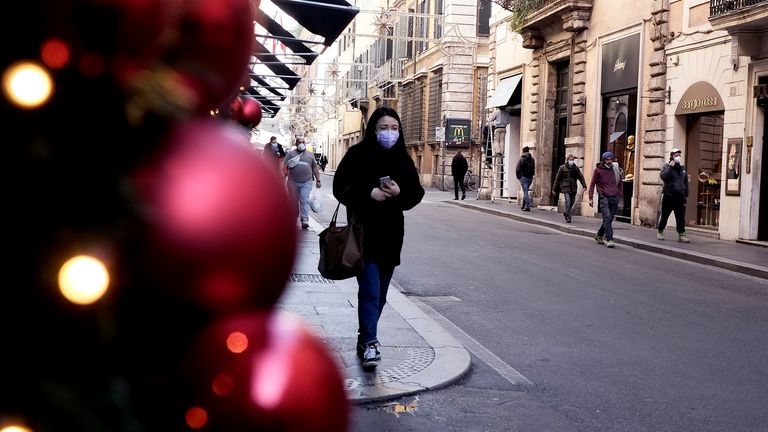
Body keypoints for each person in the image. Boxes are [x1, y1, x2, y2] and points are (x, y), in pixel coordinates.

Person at [333, 106, 425, 368]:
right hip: (364, 234)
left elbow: (415, 194)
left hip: (392, 236)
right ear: (373, 129)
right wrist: (368, 194)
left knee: (381, 294)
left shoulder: (402, 159)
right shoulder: (357, 155)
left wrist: (399, 193)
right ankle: (371, 343)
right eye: (384, 128)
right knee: (371, 290)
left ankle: (365, 337)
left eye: (394, 129)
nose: (389, 133)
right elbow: (340, 187)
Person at [282, 137, 321, 230]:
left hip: (307, 182)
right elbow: (283, 164)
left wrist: (318, 179)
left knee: (304, 199)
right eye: (299, 142)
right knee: (293, 201)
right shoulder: (291, 154)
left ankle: (304, 219)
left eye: (303, 142)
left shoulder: (310, 155)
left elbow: (315, 168)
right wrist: (283, 175)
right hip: (293, 182)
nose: (301, 143)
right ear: (296, 143)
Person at [588, 151, 623, 248]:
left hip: (614, 196)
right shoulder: (598, 170)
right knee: (607, 217)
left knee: (610, 218)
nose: (609, 161)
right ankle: (610, 239)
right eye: (607, 160)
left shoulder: (616, 169)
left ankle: (599, 235)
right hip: (604, 196)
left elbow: (620, 182)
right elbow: (592, 184)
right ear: (603, 160)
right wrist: (590, 198)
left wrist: (619, 193)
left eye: (611, 159)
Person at [657, 148, 690, 242]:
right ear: (672, 156)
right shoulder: (667, 166)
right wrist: (671, 167)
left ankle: (681, 234)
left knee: (680, 217)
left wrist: (686, 194)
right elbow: (663, 176)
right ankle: (660, 230)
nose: (678, 157)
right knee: (665, 215)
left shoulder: (682, 168)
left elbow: (685, 181)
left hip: (680, 196)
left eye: (679, 155)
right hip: (669, 195)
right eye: (676, 155)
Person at [552, 154, 587, 223]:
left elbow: (581, 177)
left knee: (572, 202)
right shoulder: (562, 168)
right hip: (566, 187)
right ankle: (568, 217)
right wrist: (554, 189)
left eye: (572, 160)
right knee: (568, 201)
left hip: (573, 188)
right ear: (567, 160)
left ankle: (566, 212)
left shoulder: (576, 168)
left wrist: (584, 186)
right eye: (570, 160)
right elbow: (557, 179)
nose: (571, 161)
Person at [515, 146, 535, 211]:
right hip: (530, 177)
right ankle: (523, 205)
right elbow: (533, 168)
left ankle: (527, 206)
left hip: (523, 177)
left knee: (525, 192)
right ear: (528, 151)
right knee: (525, 191)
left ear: (523, 151)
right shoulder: (532, 159)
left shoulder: (521, 158)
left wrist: (519, 177)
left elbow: (517, 168)